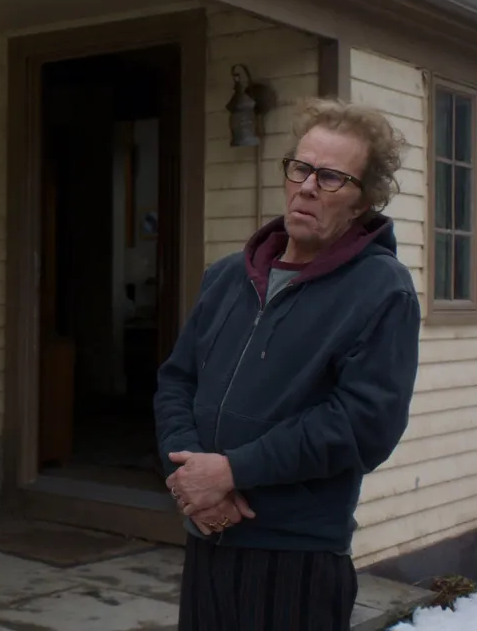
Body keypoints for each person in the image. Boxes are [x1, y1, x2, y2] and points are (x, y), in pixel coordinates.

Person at [153, 97, 421, 631]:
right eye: (301, 168)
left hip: (295, 558)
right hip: (207, 539)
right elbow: (177, 381)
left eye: (331, 177)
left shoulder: (381, 290)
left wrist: (233, 471)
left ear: (363, 201)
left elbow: (364, 423)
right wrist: (190, 476)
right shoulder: (227, 277)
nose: (307, 187)